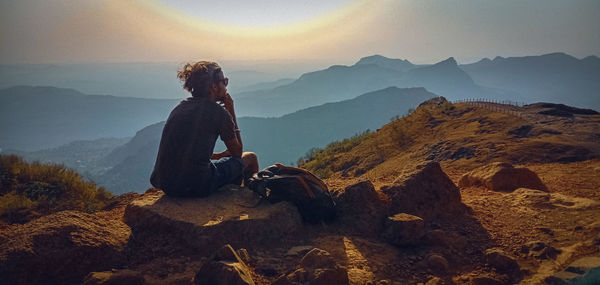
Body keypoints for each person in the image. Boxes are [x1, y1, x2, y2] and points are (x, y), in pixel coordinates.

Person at [150, 61, 259, 197]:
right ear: (214, 86)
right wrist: (231, 112)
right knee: (250, 158)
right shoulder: (218, 113)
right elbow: (237, 152)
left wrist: (218, 156)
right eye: (224, 82)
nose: (226, 86)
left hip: (166, 184)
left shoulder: (181, 107)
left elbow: (185, 152)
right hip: (196, 185)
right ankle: (246, 197)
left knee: (226, 163)